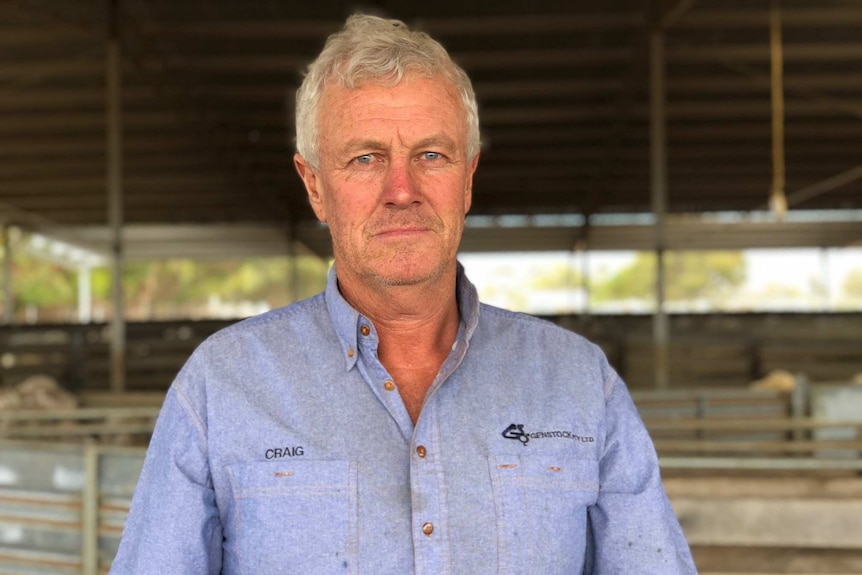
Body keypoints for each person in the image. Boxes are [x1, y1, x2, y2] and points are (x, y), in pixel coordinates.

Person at [110, 13, 697, 575]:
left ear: (467, 179)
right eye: (365, 158)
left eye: (431, 156)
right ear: (315, 187)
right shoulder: (222, 388)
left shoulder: (578, 383)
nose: (402, 190)